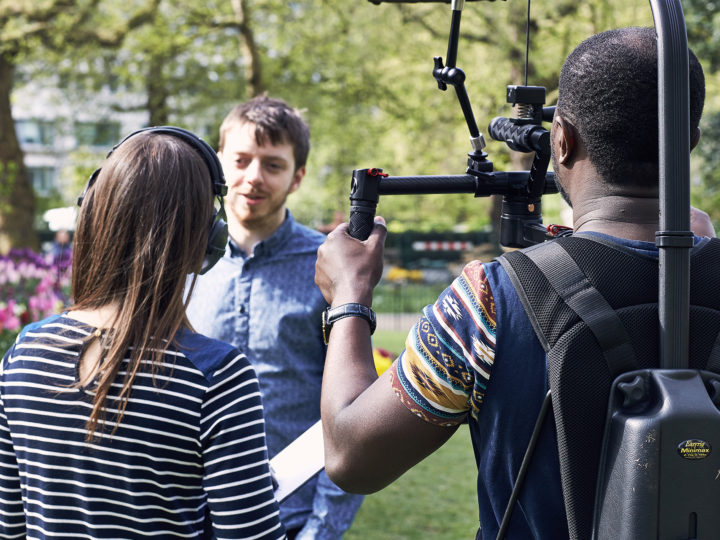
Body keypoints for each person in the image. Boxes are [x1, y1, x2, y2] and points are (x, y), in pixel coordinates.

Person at [313, 27, 717, 539]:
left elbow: (351, 458)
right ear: (690, 143)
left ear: (561, 139)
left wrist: (350, 295)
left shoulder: (487, 301)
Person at [0, 127, 286, 539]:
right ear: (206, 240)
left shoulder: (23, 353)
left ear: (94, 216)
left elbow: (11, 527)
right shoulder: (218, 379)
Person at [186, 97, 364, 539]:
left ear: (297, 176)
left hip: (294, 517)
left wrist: (320, 531)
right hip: (192, 517)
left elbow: (351, 414)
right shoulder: (180, 263)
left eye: (272, 164)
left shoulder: (329, 268)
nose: (253, 177)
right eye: (241, 160)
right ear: (220, 164)